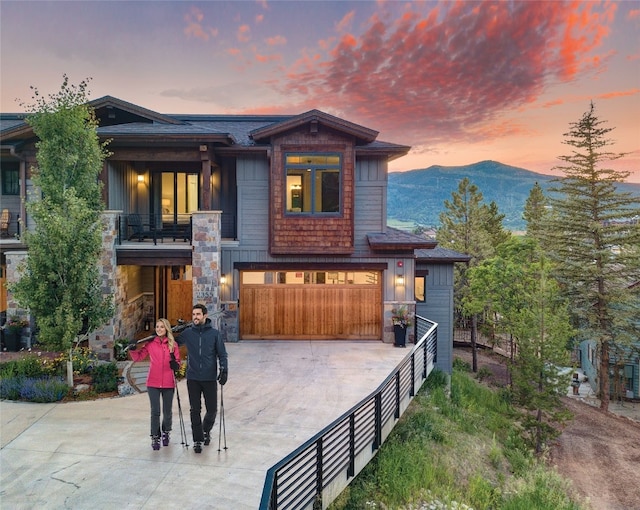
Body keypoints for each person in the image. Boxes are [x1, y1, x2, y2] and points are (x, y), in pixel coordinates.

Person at [178, 303, 228, 453]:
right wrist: (169, 332)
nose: (195, 317)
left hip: (209, 377)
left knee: (212, 409)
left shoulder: (214, 334)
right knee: (195, 410)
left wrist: (224, 370)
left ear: (205, 316)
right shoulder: (187, 333)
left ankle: (206, 430)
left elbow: (222, 354)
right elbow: (170, 343)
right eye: (193, 315)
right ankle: (198, 439)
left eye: (198, 314)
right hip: (193, 377)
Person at [128, 318, 181, 450]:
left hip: (168, 382)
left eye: (162, 327)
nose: (159, 329)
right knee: (155, 411)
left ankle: (166, 432)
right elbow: (138, 357)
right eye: (157, 327)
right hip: (153, 382)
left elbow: (178, 362)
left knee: (167, 411)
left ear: (166, 329)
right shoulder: (151, 343)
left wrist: (176, 365)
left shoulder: (172, 345)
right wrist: (133, 349)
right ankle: (155, 436)